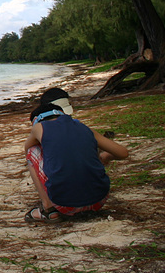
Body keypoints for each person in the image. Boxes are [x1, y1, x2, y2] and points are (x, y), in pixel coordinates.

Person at [24, 89, 128, 223]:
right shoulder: (84, 127)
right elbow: (123, 153)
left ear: (37, 120)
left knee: (32, 151)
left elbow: (27, 147)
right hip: (99, 200)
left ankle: (48, 208)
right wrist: (106, 157)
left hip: (64, 205)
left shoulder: (38, 128)